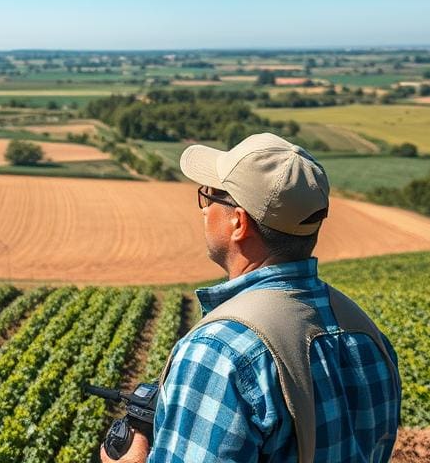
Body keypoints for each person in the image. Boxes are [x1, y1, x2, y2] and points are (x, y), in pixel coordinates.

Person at [101, 132, 401, 463]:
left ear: (239, 222)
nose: (204, 210)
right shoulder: (368, 335)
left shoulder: (220, 352)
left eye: (210, 196)